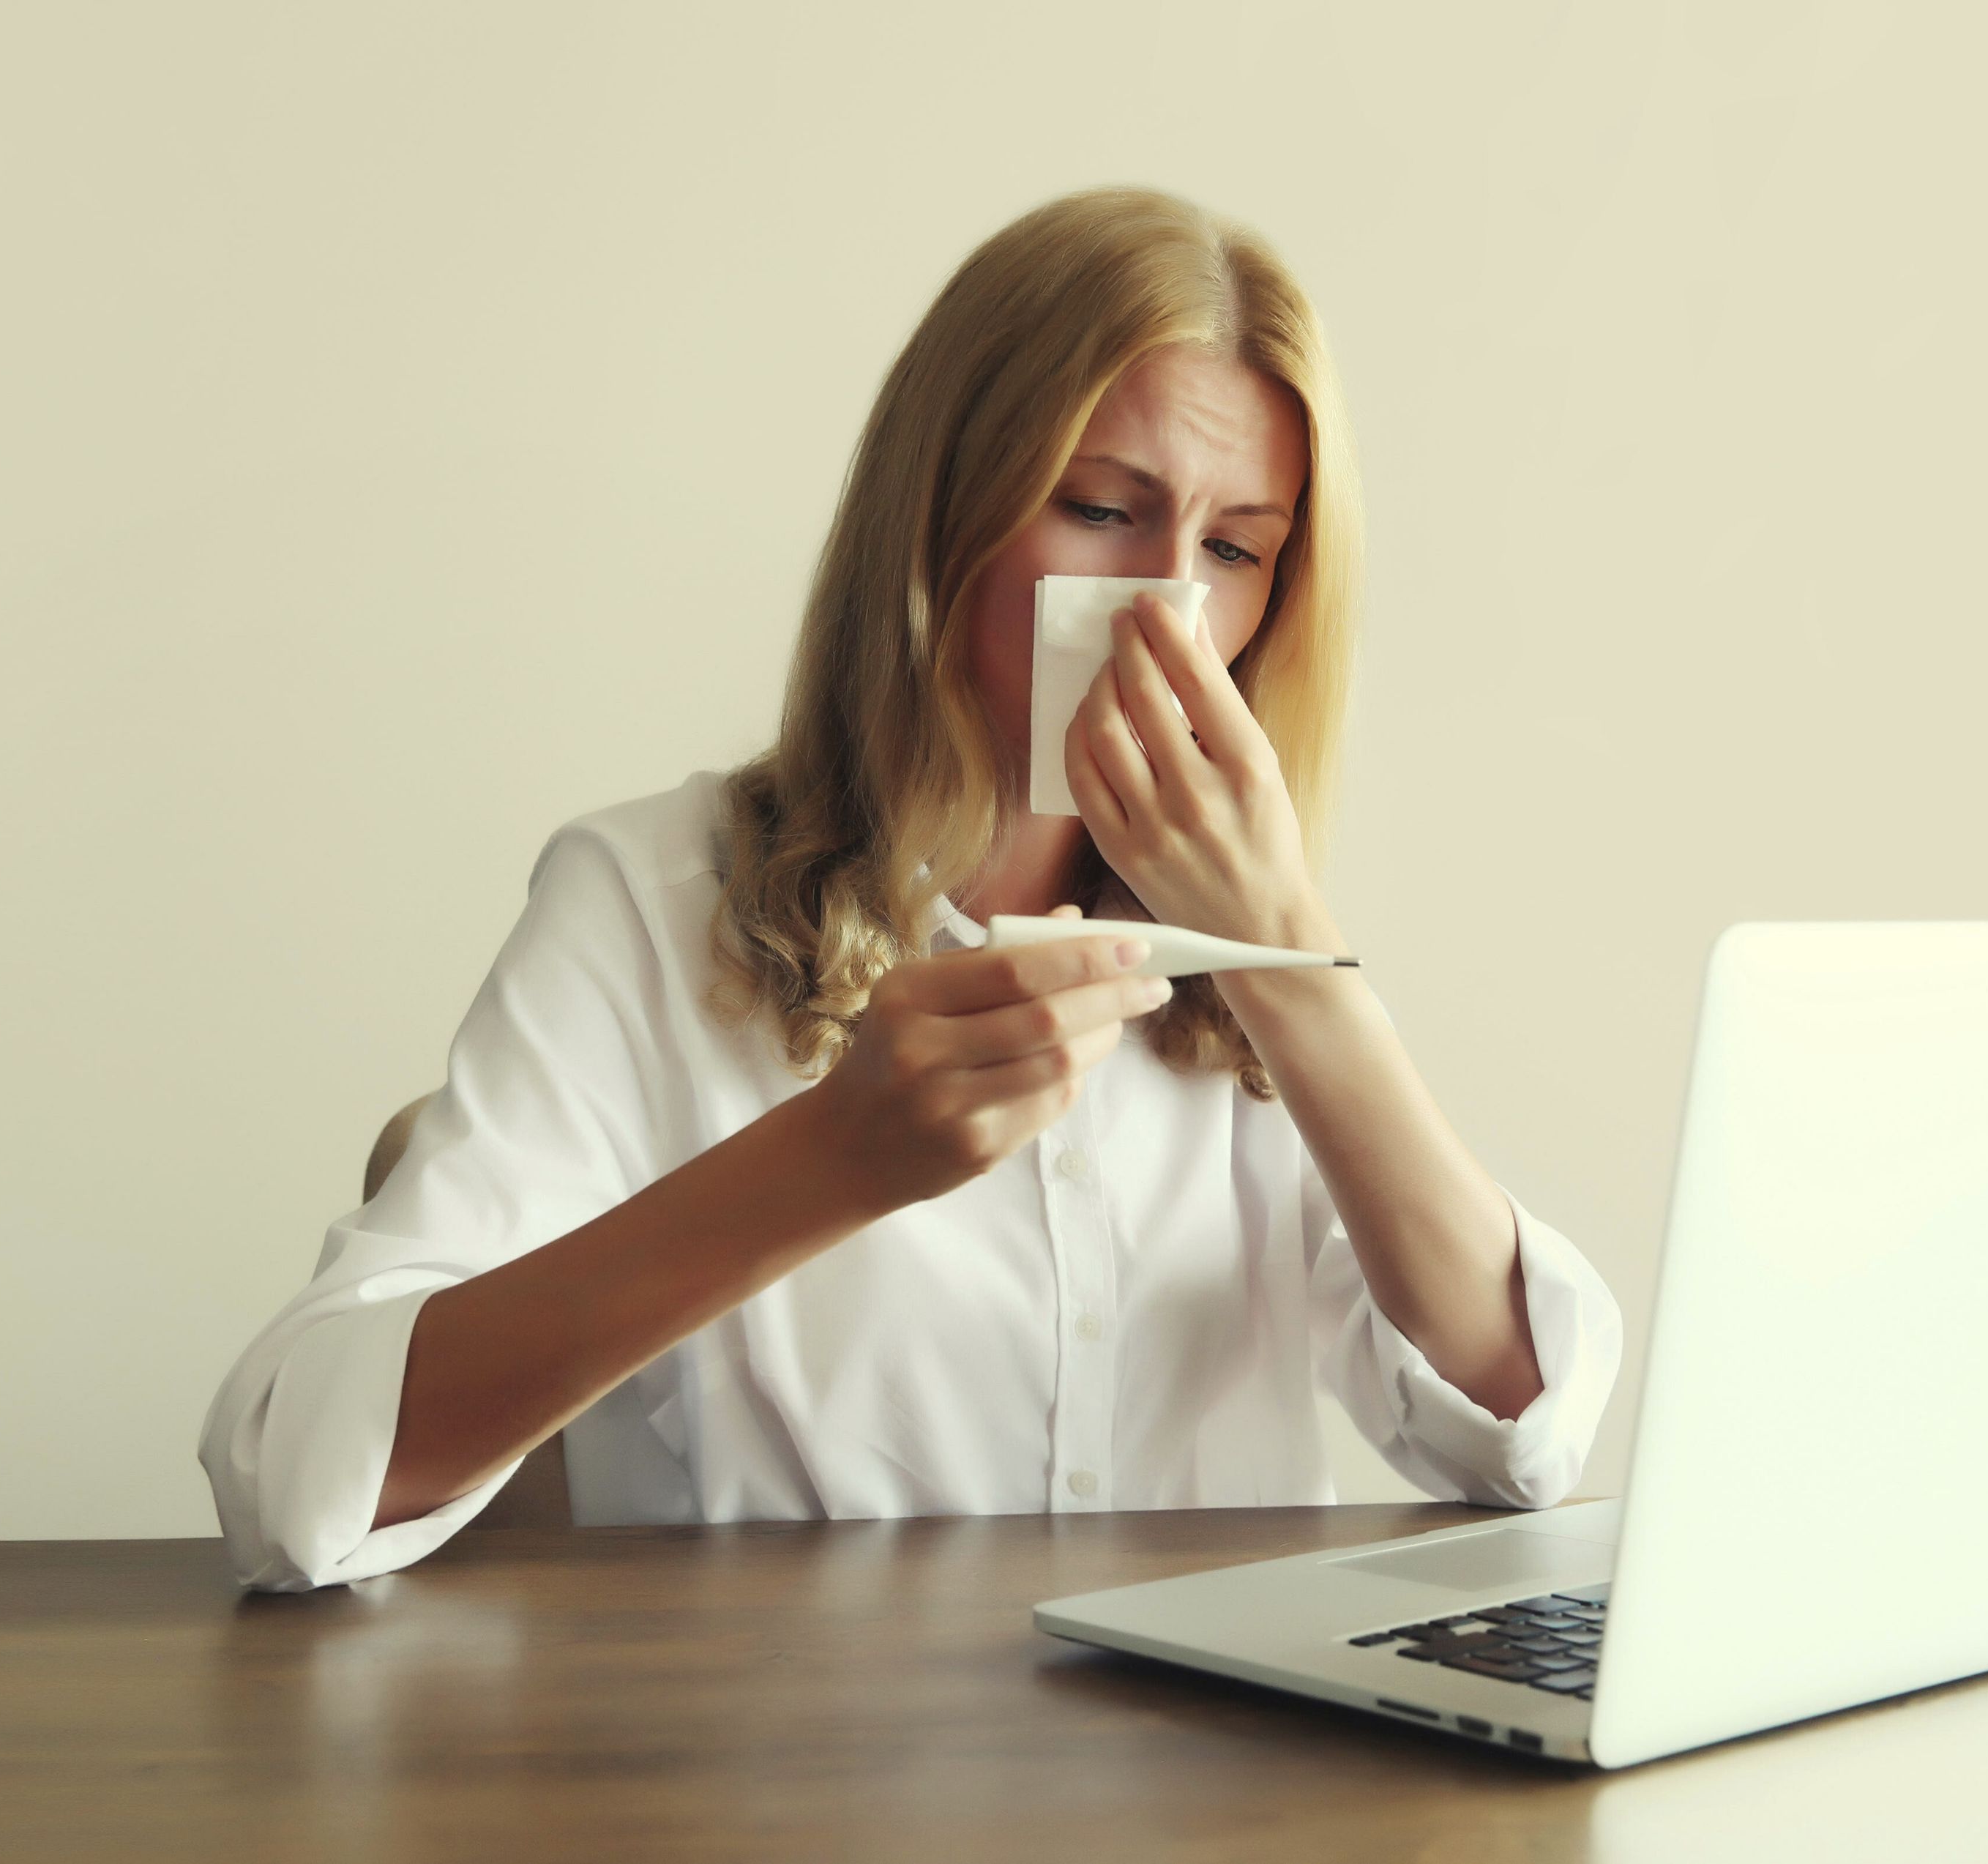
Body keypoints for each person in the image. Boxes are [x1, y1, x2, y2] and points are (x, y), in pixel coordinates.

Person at [199, 186, 1623, 1592]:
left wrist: (1298, 960)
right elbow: (288, 1479)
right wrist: (830, 1158)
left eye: (1232, 549)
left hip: (1218, 1785)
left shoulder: (1237, 975)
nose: (1161, 606)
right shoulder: (648, 902)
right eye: (1099, 509)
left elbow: (1518, 1434)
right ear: (941, 512)